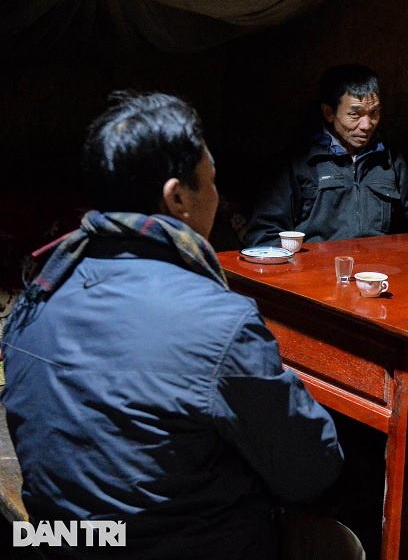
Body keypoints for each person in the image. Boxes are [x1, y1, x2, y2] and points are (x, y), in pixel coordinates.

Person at [0, 91, 362, 559]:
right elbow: (310, 470)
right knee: (339, 543)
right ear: (176, 198)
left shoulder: (39, 294)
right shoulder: (217, 321)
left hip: (61, 544)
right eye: (211, 181)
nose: (217, 195)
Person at [244, 64, 408, 246]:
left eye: (374, 113)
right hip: (317, 274)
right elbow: (264, 234)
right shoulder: (298, 163)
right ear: (329, 113)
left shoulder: (388, 160)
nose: (367, 125)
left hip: (375, 273)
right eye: (355, 114)